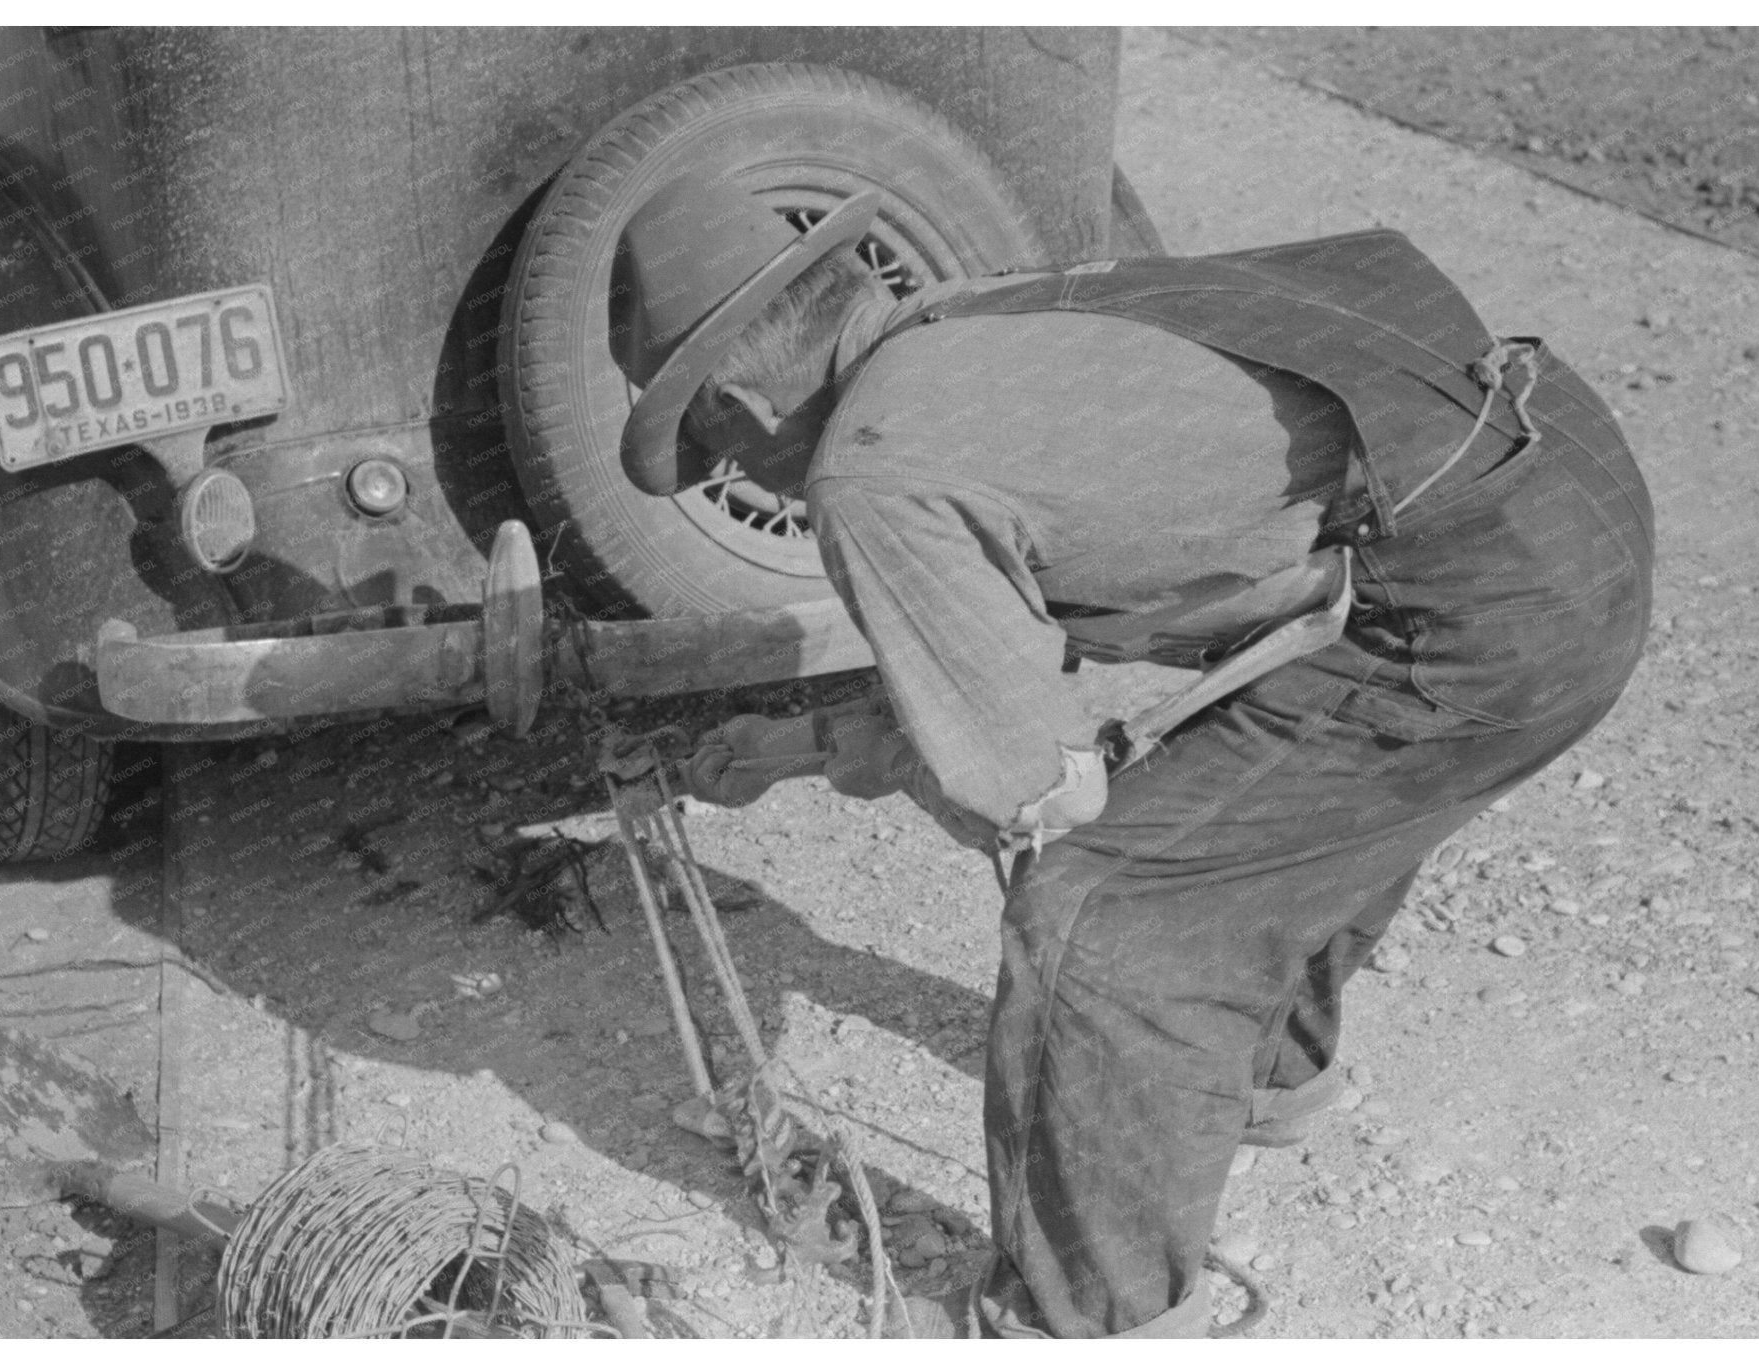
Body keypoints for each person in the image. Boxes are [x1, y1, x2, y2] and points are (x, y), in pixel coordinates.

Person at [609, 169, 1654, 1338]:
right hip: (1550, 478)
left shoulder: (872, 463)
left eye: (703, 441)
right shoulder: (976, 319)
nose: (729, 476)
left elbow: (1035, 787)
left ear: (742, 402)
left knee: (1096, 916)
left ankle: (1089, 1323)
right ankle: (1259, 1083)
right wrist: (804, 744)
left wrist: (921, 761)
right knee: (1265, 801)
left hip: (1487, 604)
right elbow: (1060, 654)